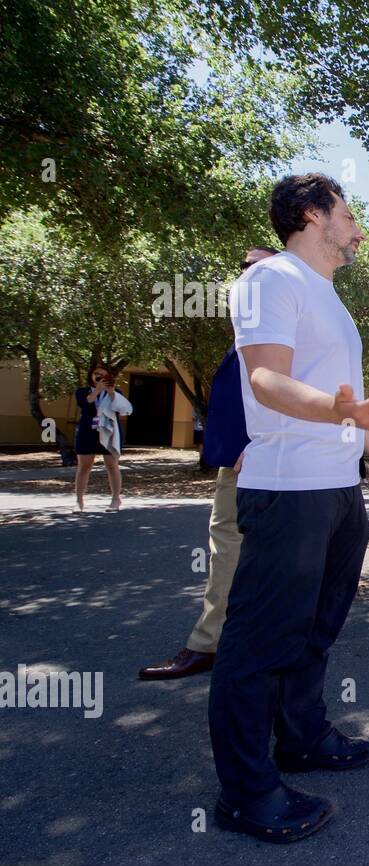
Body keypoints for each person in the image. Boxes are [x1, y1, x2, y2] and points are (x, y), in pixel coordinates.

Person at [208, 173, 369, 844]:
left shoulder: (325, 295)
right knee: (258, 645)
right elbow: (266, 378)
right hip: (287, 489)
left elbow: (344, 402)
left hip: (336, 492)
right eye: (350, 213)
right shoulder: (270, 280)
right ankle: (246, 792)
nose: (359, 229)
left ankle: (300, 736)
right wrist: (339, 409)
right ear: (312, 214)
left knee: (315, 630)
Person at [138, 245, 277, 681]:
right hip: (240, 462)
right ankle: (221, 643)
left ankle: (216, 645)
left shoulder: (278, 330)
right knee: (231, 552)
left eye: (257, 269)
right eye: (243, 269)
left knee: (242, 552)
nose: (247, 277)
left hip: (261, 463)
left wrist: (254, 445)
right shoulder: (249, 332)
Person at [73, 364, 133, 512]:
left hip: (110, 431)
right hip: (88, 431)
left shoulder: (116, 392)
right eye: (96, 374)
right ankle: (79, 500)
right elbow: (86, 402)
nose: (99, 377)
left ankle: (115, 499)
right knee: (84, 466)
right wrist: (98, 390)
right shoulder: (82, 391)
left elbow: (123, 409)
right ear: (91, 375)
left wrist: (111, 392)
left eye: (103, 375)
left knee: (112, 465)